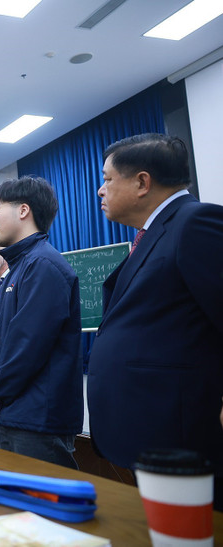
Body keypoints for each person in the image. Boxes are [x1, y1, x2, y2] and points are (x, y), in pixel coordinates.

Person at [88, 134, 223, 498]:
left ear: (142, 182)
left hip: (182, 432)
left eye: (107, 179)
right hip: (150, 428)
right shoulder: (150, 236)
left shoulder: (196, 222)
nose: (101, 191)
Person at [0, 177, 83, 468]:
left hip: (38, 417)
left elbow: (28, 347)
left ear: (23, 210)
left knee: (47, 508)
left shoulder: (43, 265)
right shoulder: (16, 269)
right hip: (12, 409)